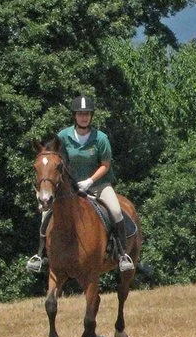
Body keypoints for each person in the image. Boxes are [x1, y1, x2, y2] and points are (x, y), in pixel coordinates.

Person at [26, 95, 134, 272]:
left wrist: (90, 181)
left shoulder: (101, 138)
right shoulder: (63, 136)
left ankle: (122, 255)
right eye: (80, 114)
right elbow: (54, 161)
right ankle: (40, 255)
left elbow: (106, 165)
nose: (84, 117)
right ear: (74, 116)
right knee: (46, 215)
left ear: (91, 116)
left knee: (115, 210)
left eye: (87, 114)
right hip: (70, 187)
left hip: (99, 184)